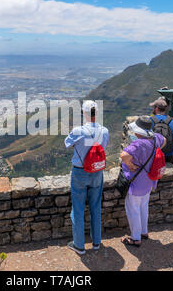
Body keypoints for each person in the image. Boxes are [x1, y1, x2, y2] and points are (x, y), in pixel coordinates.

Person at [64, 100, 109, 255]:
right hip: (97, 172)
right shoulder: (105, 130)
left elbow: (67, 144)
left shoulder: (78, 131)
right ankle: (96, 242)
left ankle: (79, 245)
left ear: (83, 113)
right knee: (96, 206)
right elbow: (104, 147)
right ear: (97, 113)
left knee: (78, 208)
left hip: (80, 172)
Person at [120, 116, 166, 247]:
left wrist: (130, 165)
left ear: (138, 131)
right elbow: (165, 140)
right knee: (143, 207)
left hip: (136, 183)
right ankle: (144, 232)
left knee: (133, 209)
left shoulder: (139, 144)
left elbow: (124, 155)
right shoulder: (155, 138)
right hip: (149, 181)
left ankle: (135, 238)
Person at [149, 98, 173, 164]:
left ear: (156, 109)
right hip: (169, 153)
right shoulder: (172, 121)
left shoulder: (150, 120)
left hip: (155, 153)